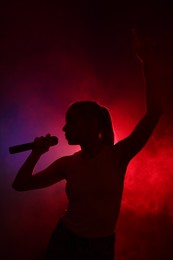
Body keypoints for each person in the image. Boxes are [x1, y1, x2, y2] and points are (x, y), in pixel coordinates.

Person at [12, 30, 162, 260]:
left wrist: (147, 61)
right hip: (65, 241)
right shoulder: (68, 164)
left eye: (70, 122)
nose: (63, 129)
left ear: (92, 124)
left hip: (99, 248)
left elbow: (153, 114)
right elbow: (21, 185)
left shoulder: (116, 156)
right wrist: (36, 153)